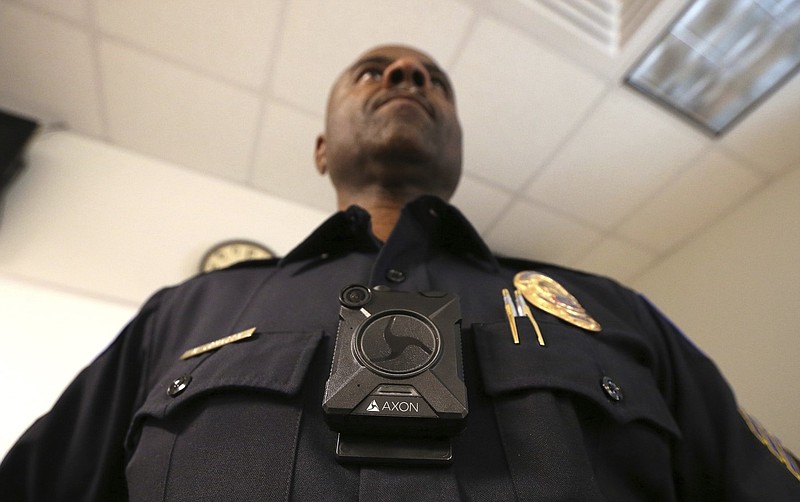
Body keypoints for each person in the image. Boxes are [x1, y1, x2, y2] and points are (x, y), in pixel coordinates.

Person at [1, 44, 798, 501]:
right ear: (320, 150)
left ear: (457, 151)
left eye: (431, 79)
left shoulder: (614, 311)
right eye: (373, 70)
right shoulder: (185, 312)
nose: (408, 79)